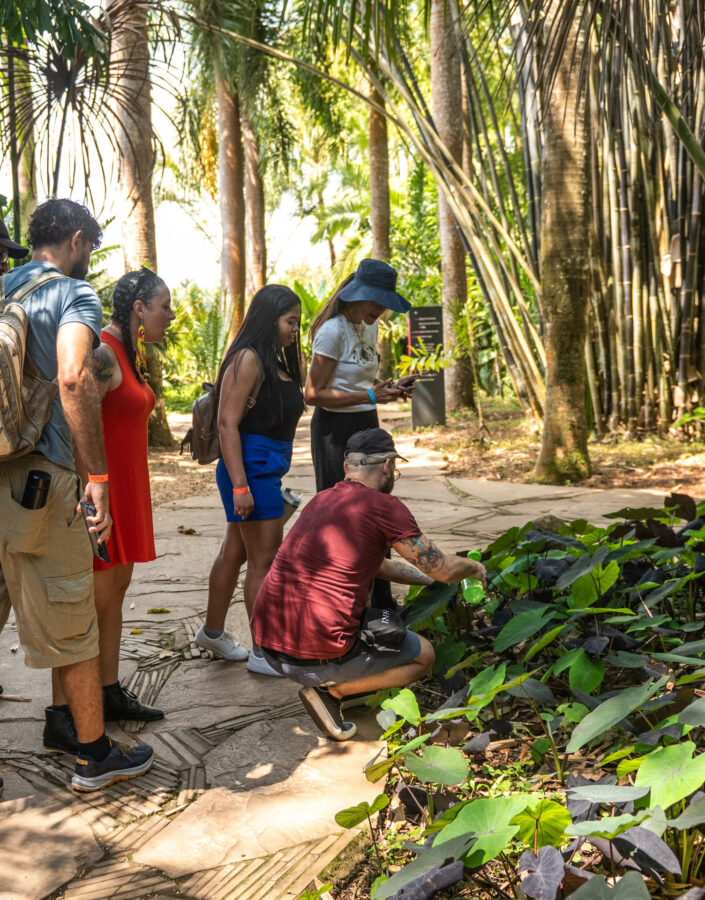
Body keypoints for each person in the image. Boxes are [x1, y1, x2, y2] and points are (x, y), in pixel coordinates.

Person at [0, 198, 153, 791]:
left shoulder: (5, 289)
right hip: (43, 479)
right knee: (71, 611)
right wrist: (97, 478)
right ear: (80, 241)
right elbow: (72, 375)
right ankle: (94, 753)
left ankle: (63, 726)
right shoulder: (70, 294)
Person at [250, 428, 487, 741]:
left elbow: (379, 564)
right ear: (388, 467)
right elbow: (443, 568)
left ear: (347, 468)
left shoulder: (323, 500)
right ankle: (331, 693)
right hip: (312, 654)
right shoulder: (385, 508)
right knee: (424, 656)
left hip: (268, 644)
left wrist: (425, 578)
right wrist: (473, 567)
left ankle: (339, 681)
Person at [44, 268, 175, 752]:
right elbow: (70, 409)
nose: (171, 315)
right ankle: (61, 715)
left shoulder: (131, 354)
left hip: (129, 488)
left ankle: (108, 690)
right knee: (89, 605)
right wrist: (89, 485)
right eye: (165, 306)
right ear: (140, 309)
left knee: (115, 593)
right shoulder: (101, 351)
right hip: (103, 492)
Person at [195, 285, 305, 677]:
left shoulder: (275, 360)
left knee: (235, 554)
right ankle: (263, 652)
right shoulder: (247, 359)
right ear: (269, 318)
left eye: (297, 321)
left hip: (265, 468)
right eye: (290, 321)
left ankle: (212, 632)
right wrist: (241, 486)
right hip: (250, 469)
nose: (295, 328)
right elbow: (227, 423)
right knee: (264, 561)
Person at [305, 258, 416, 493]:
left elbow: (359, 375)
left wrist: (391, 389)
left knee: (371, 498)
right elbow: (313, 394)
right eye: (376, 301)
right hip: (334, 428)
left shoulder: (371, 325)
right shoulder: (332, 331)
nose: (381, 309)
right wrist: (369, 396)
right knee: (336, 501)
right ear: (358, 295)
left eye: (385, 303)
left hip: (366, 422)